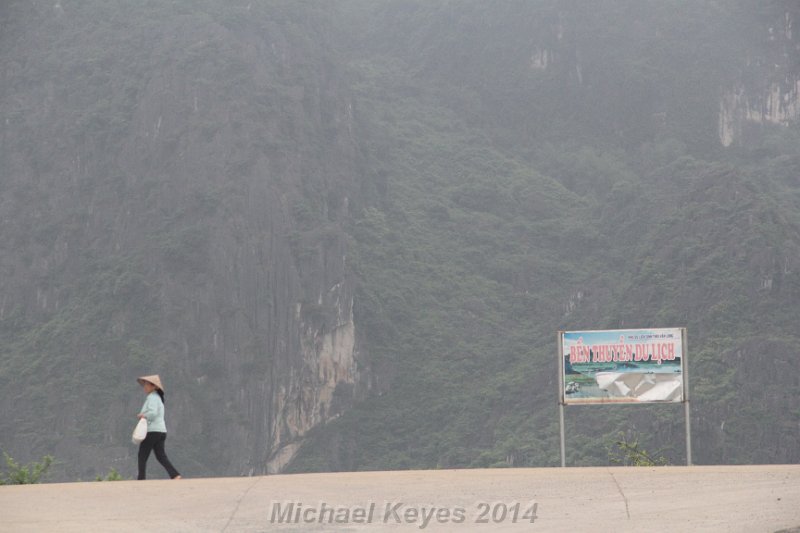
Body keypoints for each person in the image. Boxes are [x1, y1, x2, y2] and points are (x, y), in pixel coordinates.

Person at [136, 374, 182, 480]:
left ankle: (141, 478)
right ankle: (175, 474)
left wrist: (143, 416)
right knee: (160, 456)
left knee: (142, 455)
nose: (145, 387)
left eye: (147, 385)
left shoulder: (152, 397)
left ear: (154, 387)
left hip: (152, 431)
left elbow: (152, 413)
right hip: (161, 431)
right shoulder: (158, 398)